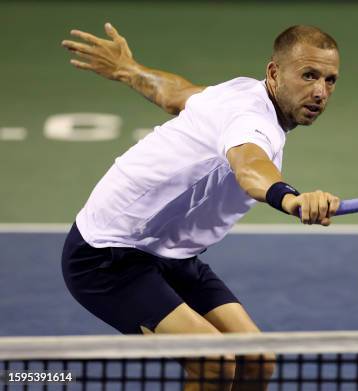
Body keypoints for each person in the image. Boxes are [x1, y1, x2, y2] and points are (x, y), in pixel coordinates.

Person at [60, 23, 341, 390]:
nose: (320, 91)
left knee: (257, 360)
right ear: (274, 73)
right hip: (107, 257)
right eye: (308, 75)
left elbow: (178, 94)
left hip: (170, 255)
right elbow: (251, 166)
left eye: (330, 79)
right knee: (214, 363)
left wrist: (127, 69)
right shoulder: (253, 122)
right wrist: (290, 198)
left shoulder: (238, 91)